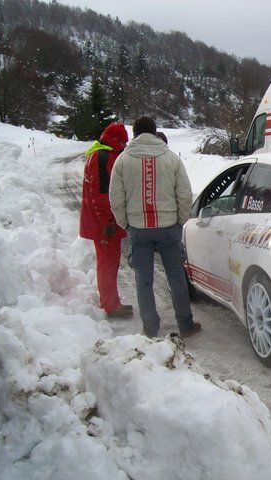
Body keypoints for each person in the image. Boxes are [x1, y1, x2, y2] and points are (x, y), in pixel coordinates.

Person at [109, 116, 200, 338]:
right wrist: (180, 220)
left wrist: (126, 224)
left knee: (143, 279)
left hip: (138, 228)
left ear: (135, 134)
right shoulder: (171, 158)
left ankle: (150, 327)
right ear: (155, 131)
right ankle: (186, 325)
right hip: (168, 225)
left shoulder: (123, 160)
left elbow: (115, 198)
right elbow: (185, 194)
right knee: (176, 276)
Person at [79, 123, 133, 318]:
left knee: (110, 261)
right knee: (108, 263)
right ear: (116, 141)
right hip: (103, 224)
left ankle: (111, 301)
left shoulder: (103, 155)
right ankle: (110, 305)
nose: (125, 147)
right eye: (123, 142)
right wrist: (108, 222)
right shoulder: (102, 158)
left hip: (102, 222)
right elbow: (101, 194)